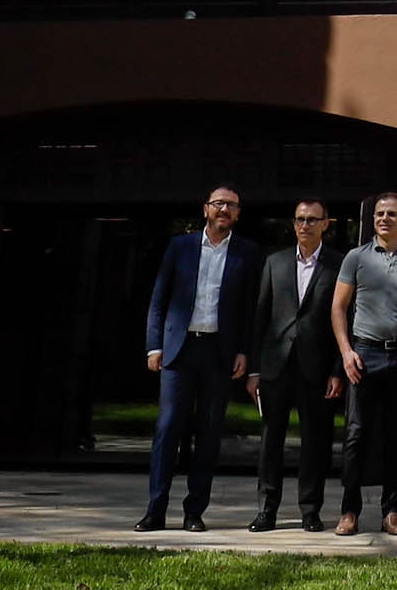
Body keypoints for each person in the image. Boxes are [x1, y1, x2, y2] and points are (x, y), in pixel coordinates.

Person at [138, 184, 258, 532]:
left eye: (232, 206)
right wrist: (154, 346)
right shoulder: (181, 246)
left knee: (208, 432)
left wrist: (244, 351)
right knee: (167, 427)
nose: (224, 210)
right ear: (205, 208)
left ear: (238, 214)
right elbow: (159, 299)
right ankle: (155, 510)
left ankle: (194, 511)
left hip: (219, 351)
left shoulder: (248, 253)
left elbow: (250, 308)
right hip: (179, 348)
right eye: (219, 204)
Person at [245, 197, 346, 532]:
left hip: (316, 368)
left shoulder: (337, 265)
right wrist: (255, 369)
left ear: (325, 224)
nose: (305, 225)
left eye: (312, 220)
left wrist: (336, 370)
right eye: (300, 219)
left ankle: (310, 510)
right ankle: (266, 509)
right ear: (293, 223)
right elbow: (260, 317)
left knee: (315, 444)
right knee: (270, 441)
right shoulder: (274, 263)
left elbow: (345, 318)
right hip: (276, 366)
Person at [332, 193, 397, 535]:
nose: (384, 219)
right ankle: (349, 510)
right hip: (364, 354)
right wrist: (346, 352)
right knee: (357, 434)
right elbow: (338, 308)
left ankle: (392, 510)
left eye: (391, 214)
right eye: (378, 214)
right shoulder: (356, 258)